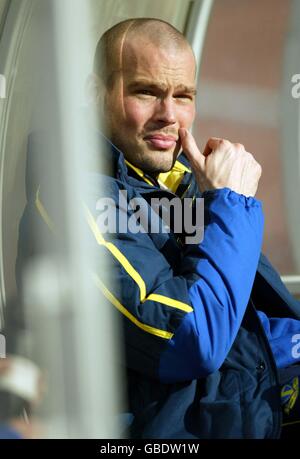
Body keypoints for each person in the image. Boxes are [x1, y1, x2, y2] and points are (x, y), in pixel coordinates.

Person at [17, 18, 300, 438]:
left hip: (250, 404)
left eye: (183, 96)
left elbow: (245, 320)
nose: (168, 115)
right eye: (146, 92)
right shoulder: (79, 197)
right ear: (96, 95)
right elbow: (191, 338)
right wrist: (231, 204)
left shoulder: (174, 185)